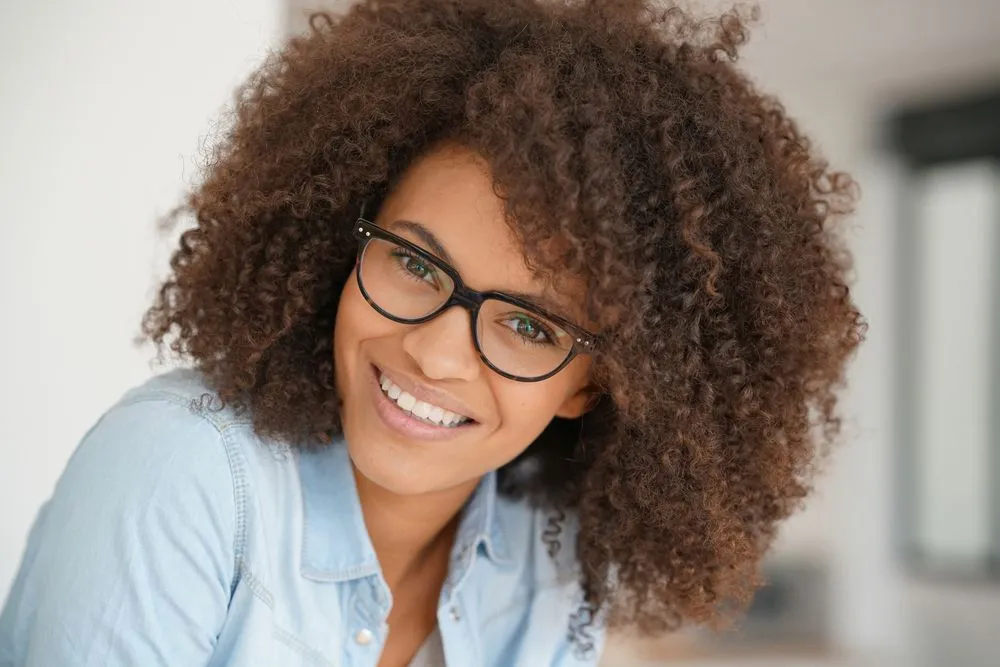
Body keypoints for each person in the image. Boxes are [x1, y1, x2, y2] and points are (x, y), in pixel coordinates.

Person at [0, 0, 865, 665]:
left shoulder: (550, 555)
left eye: (529, 324)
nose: (436, 352)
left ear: (593, 384)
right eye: (415, 265)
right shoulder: (181, 473)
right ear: (345, 235)